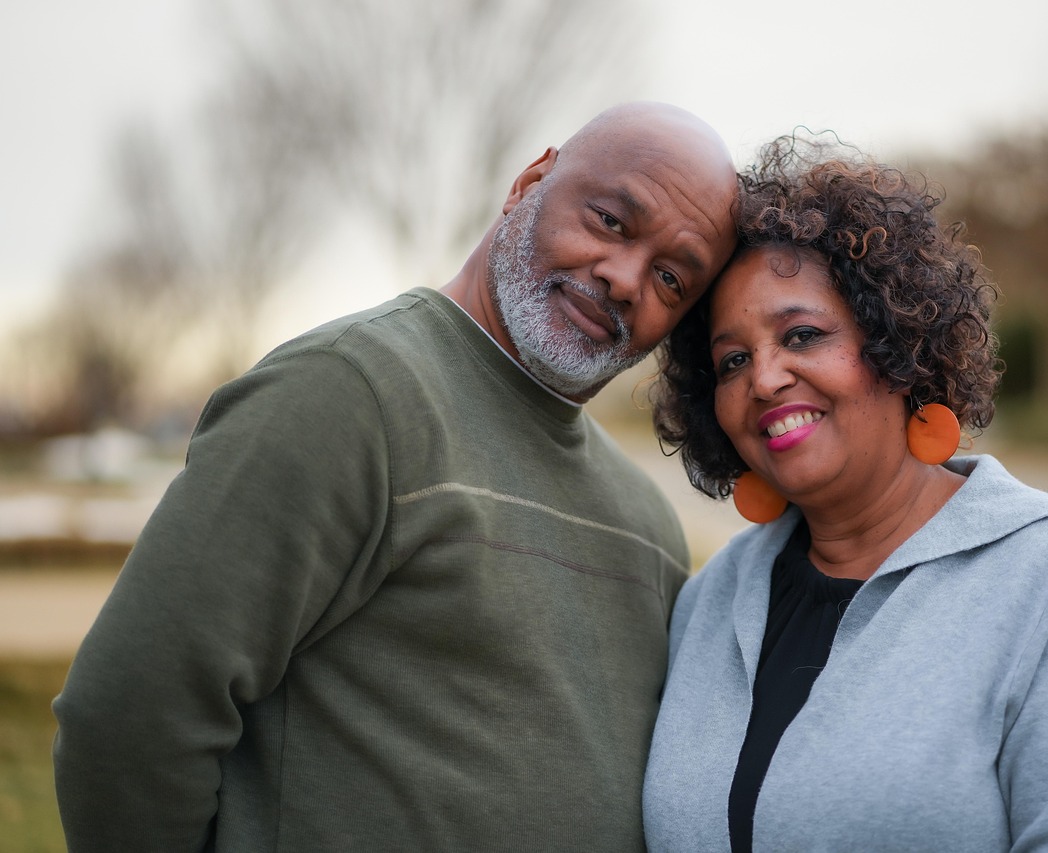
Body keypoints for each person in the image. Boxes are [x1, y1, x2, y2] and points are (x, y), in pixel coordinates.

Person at [52, 101, 739, 852]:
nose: (625, 278)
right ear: (530, 181)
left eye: (672, 278)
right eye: (610, 220)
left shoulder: (649, 525)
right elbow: (128, 719)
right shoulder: (346, 395)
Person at [642, 135, 1048, 851]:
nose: (764, 378)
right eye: (733, 360)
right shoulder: (708, 603)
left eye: (801, 335)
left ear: (899, 344)